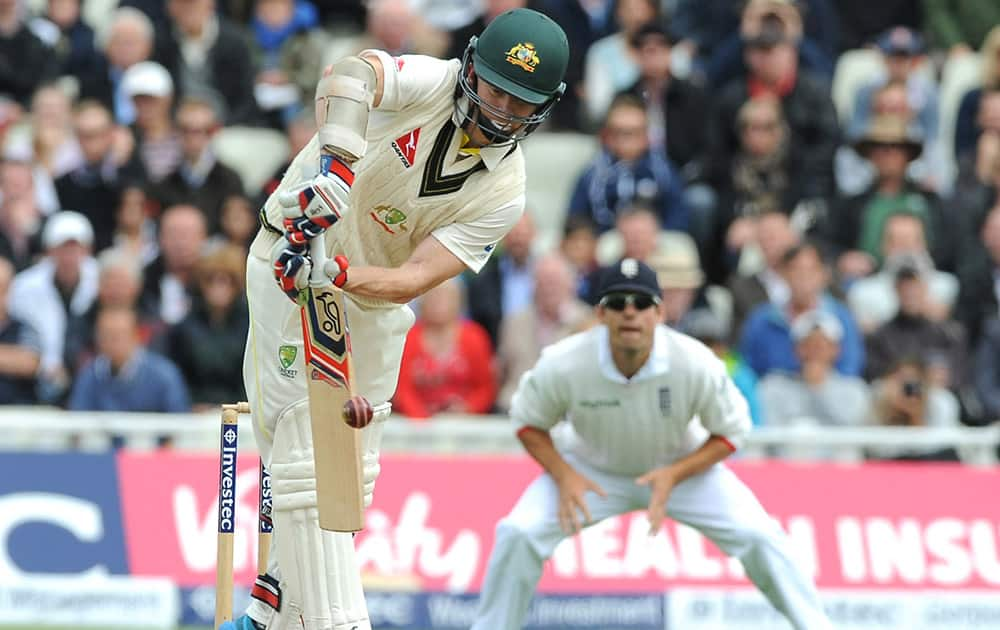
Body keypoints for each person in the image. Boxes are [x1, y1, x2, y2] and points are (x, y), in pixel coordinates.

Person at [229, 8, 569, 630]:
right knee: (302, 441)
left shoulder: (505, 191)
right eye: (495, 89)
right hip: (288, 254)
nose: (501, 112)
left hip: (369, 300)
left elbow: (415, 278)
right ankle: (335, 621)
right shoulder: (432, 81)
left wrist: (336, 277)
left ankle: (270, 606)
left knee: (354, 476)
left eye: (521, 104)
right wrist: (335, 166)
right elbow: (350, 74)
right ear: (471, 68)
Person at [471, 258, 833, 630]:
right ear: (601, 314)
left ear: (659, 312)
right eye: (617, 303)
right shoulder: (564, 362)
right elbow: (528, 423)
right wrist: (563, 475)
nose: (630, 312)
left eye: (641, 303)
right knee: (518, 533)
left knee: (760, 535)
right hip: (590, 471)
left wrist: (674, 474)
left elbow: (732, 432)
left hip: (682, 468)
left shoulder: (694, 362)